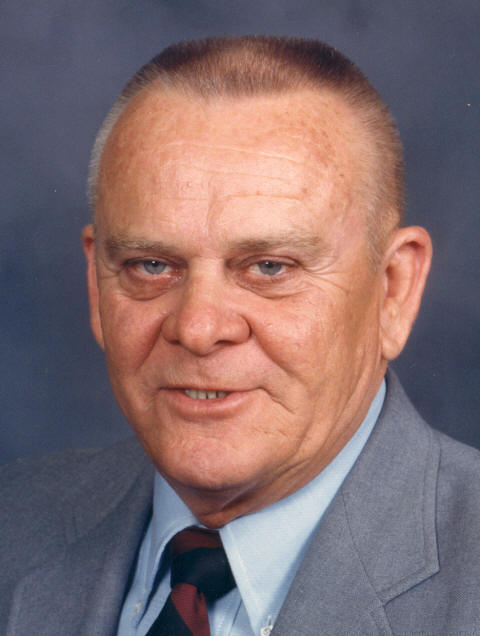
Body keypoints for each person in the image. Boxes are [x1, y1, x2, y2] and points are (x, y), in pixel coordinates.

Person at [1, 36, 479, 636]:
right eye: (152, 265)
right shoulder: (13, 522)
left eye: (270, 267)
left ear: (393, 291)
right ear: (98, 285)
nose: (199, 329)